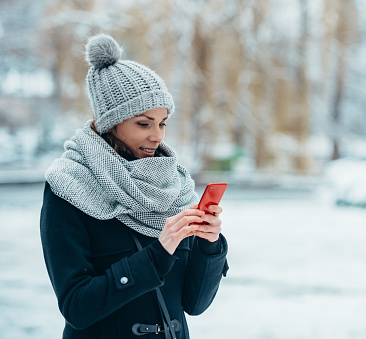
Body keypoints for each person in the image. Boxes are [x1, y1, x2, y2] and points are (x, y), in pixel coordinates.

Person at [40, 33, 229, 339]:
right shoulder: (69, 186)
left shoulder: (175, 187)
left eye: (162, 122)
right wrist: (159, 252)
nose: (157, 136)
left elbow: (194, 304)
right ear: (110, 123)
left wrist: (210, 246)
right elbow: (77, 307)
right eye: (144, 123)